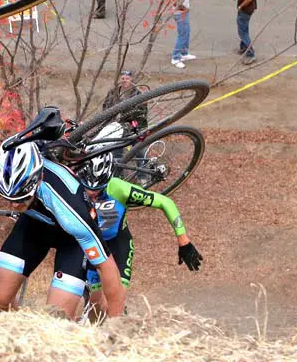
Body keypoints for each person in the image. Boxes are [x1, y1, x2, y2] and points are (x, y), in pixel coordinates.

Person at [0, 141, 126, 318]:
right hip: (34, 226)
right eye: (8, 197)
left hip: (72, 240)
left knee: (57, 318)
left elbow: (106, 267)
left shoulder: (72, 211)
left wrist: (116, 323)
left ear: (39, 179)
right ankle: (20, 334)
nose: (14, 205)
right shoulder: (1, 168)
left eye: (22, 198)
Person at [75, 124, 203, 315]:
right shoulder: (73, 185)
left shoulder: (119, 188)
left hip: (119, 245)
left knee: (112, 308)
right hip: (91, 245)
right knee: (96, 308)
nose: (93, 194)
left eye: (98, 189)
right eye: (88, 189)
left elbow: (165, 202)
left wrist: (184, 241)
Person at [170, 0, 197, 69]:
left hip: (184, 11)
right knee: (182, 34)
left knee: (187, 32)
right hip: (179, 12)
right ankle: (175, 58)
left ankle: (184, 53)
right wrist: (183, 8)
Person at [235, 0, 258, 65]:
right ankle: (243, 47)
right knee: (244, 29)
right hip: (249, 9)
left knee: (242, 32)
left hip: (245, 10)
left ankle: (251, 54)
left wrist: (240, 6)